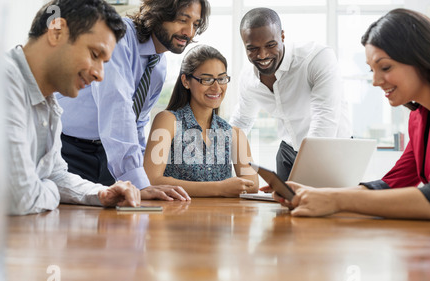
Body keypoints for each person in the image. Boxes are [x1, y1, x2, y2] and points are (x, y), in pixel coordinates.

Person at [268, 8, 430, 220]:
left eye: (386, 67)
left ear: (419, 56)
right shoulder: (418, 119)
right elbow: (393, 182)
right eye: (372, 70)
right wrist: (318, 194)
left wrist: (336, 200)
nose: (375, 81)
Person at [56, 0, 211, 201]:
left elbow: (137, 123)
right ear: (158, 11)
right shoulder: (119, 36)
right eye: (183, 19)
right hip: (69, 150)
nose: (188, 31)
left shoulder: (159, 66)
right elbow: (117, 107)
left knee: (115, 223)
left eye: (196, 24)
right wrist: (139, 182)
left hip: (107, 153)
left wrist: (144, 179)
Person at [6, 0, 142, 215]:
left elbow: (55, 175)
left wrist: (100, 193)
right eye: (95, 55)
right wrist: (49, 188)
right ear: (57, 32)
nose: (100, 75)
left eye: (104, 63)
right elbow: (18, 196)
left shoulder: (50, 105)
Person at [229, 7, 352, 180]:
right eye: (253, 48)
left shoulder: (316, 57)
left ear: (282, 36)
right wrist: (214, 157)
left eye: (270, 45)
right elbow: (242, 120)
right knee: (285, 205)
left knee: (331, 205)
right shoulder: (248, 79)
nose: (262, 55)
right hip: (288, 150)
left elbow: (324, 119)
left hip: (331, 148)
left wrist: (306, 174)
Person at [143, 45, 259, 197]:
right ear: (186, 81)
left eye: (222, 78)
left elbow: (253, 185)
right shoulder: (167, 121)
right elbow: (151, 180)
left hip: (220, 219)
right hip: (177, 216)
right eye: (207, 79)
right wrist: (220, 188)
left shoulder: (234, 133)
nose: (216, 87)